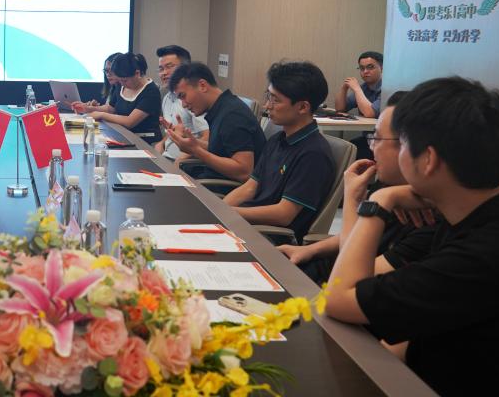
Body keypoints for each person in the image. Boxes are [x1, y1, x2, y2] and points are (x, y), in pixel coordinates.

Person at [325, 77, 499, 396]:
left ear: (428, 160)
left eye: (402, 144)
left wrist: (379, 201)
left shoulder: (488, 253)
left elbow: (338, 299)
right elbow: (419, 325)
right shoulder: (487, 211)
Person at [277, 91, 441, 283]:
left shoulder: (430, 224)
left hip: (337, 285)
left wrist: (352, 199)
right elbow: (360, 232)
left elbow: (350, 280)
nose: (371, 147)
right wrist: (309, 250)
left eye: (377, 138)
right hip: (326, 270)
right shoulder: (388, 186)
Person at [223, 62, 334, 242]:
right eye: (268, 96)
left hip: (269, 239)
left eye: (275, 100)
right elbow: (250, 187)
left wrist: (230, 213)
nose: (267, 105)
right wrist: (219, 209)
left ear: (303, 107)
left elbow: (284, 214)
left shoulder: (314, 154)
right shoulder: (278, 139)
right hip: (247, 226)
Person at [166, 62, 264, 183]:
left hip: (220, 190)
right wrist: (191, 142)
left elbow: (244, 171)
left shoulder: (232, 115)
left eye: (183, 96)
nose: (184, 105)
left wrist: (195, 150)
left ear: (202, 85)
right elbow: (221, 150)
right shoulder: (221, 107)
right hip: (210, 180)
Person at [84, 53, 162, 141]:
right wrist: (90, 109)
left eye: (124, 80)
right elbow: (111, 108)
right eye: (119, 80)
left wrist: (101, 115)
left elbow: (130, 122)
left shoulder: (151, 91)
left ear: (137, 73)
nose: (121, 84)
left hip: (144, 140)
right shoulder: (121, 85)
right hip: (122, 134)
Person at [152, 45, 209, 163]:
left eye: (169, 67)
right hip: (167, 158)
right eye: (161, 69)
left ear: (185, 68)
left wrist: (182, 159)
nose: (164, 73)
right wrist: (161, 143)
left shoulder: (193, 99)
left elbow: (207, 137)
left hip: (186, 164)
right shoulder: (167, 97)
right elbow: (174, 132)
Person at [335, 51, 383, 118]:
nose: (365, 71)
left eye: (370, 67)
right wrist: (344, 88)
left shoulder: (388, 90)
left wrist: (357, 89)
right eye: (362, 68)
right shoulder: (364, 87)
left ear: (382, 68)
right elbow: (340, 109)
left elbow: (370, 113)